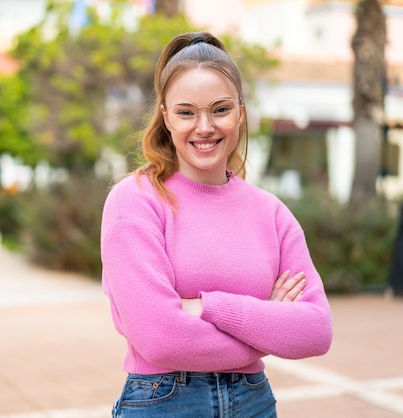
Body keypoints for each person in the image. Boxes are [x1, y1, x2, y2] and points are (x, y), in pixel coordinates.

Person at [100, 32, 333, 417]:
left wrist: (209, 307)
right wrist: (267, 323)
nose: (204, 127)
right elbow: (159, 338)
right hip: (163, 402)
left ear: (241, 112)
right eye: (186, 112)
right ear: (165, 116)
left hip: (253, 402)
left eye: (220, 110)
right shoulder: (135, 201)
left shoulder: (271, 212)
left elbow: (316, 330)